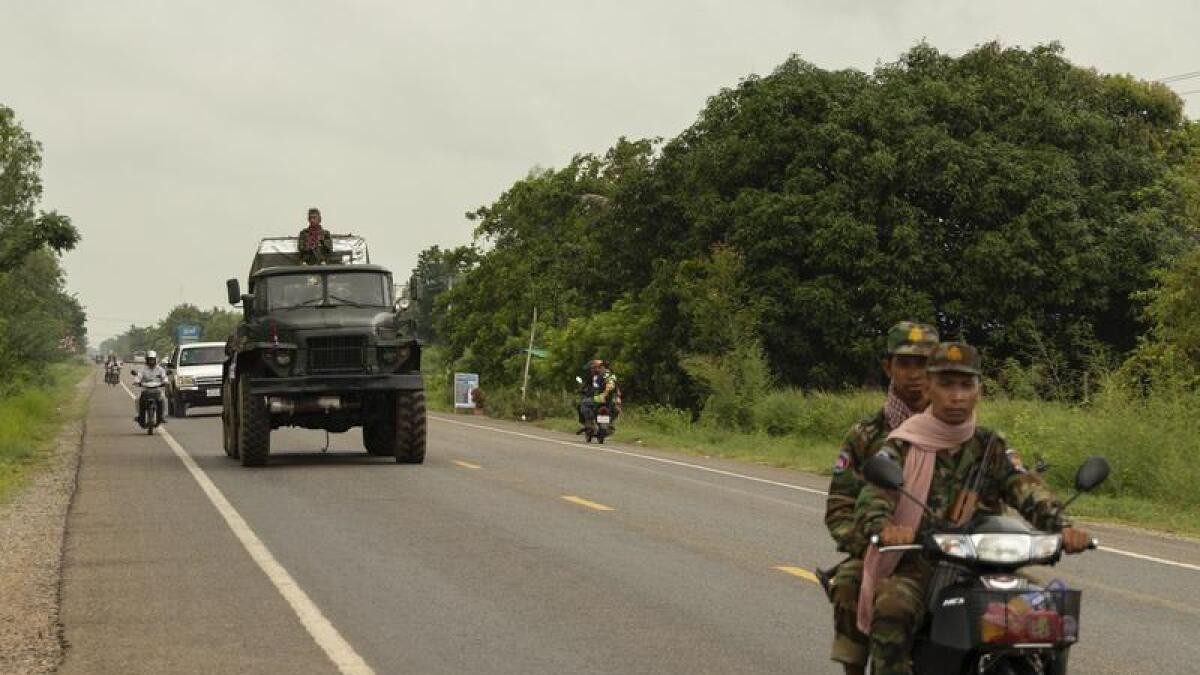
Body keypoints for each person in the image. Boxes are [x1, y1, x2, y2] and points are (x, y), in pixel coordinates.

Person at [853, 342, 1090, 675]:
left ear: (979, 390)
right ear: (929, 386)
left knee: (1046, 613)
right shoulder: (902, 444)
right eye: (947, 384)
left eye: (966, 385)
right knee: (893, 607)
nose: (958, 395)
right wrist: (883, 526)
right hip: (922, 564)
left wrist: (1062, 526)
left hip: (989, 567)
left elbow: (1026, 488)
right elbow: (875, 495)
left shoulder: (991, 446)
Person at [822, 322, 938, 675]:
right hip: (884, 555)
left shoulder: (959, 429)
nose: (915, 374)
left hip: (951, 556)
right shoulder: (866, 435)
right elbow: (840, 506)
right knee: (850, 585)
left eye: (925, 364)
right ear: (889, 367)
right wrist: (873, 543)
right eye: (905, 364)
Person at [576, 359, 619, 434]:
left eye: (595, 367)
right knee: (616, 409)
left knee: (584, 403)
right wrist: (617, 397)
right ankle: (610, 423)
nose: (593, 369)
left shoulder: (599, 376)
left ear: (600, 367)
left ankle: (590, 423)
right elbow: (616, 388)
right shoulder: (611, 375)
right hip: (608, 400)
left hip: (599, 399)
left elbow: (596, 388)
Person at [132, 350, 169, 425]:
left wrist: (165, 381)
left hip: (157, 389)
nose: (151, 361)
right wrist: (136, 381)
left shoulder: (160, 369)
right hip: (146, 389)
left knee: (164, 399)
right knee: (137, 399)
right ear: (146, 360)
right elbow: (138, 377)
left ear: (156, 359)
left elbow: (164, 377)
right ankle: (139, 416)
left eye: (152, 359)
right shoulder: (142, 369)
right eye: (149, 359)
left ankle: (162, 416)